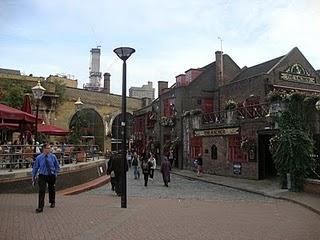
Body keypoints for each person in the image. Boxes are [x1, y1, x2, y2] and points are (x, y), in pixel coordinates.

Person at [32, 143, 60, 213]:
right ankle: (40, 207)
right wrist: (33, 177)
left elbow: (57, 166)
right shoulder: (39, 158)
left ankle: (52, 201)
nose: (49, 149)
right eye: (48, 148)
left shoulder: (53, 157)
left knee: (51, 189)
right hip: (42, 175)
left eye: (50, 148)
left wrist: (55, 173)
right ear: (44, 149)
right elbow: (35, 168)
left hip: (51, 175)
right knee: (42, 190)